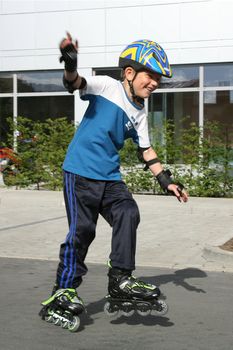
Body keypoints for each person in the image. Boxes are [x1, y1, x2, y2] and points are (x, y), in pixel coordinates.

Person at [40, 33, 188, 327]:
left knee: (128, 212)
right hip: (79, 172)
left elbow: (146, 149)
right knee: (82, 230)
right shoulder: (108, 86)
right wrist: (70, 65)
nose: (155, 83)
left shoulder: (140, 113)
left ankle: (120, 277)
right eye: (151, 76)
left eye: (159, 78)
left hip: (109, 177)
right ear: (130, 73)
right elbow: (75, 84)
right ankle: (62, 292)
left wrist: (166, 181)